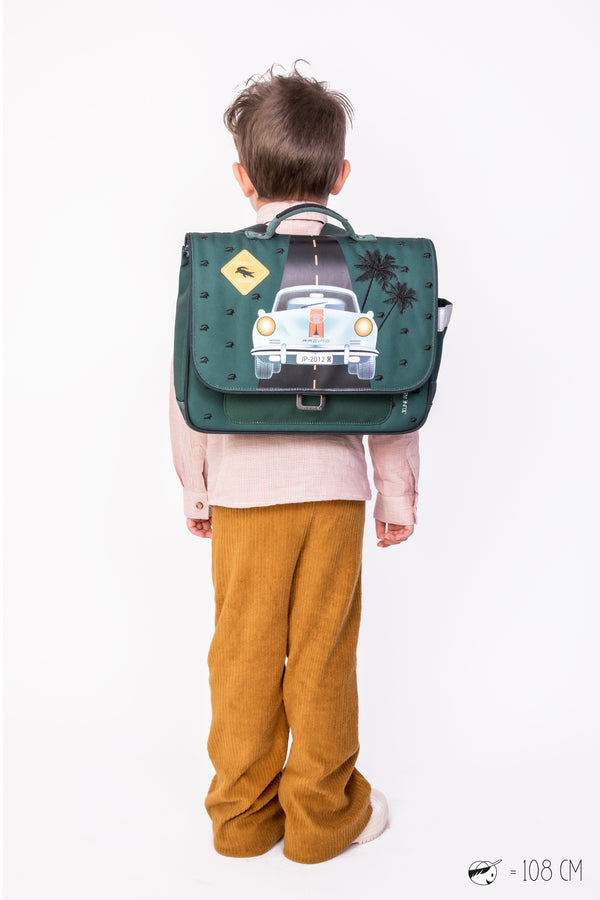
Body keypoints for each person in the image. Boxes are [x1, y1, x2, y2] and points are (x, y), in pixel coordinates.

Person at [169, 64, 420, 865]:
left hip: (243, 495)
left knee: (242, 651)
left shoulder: (218, 269)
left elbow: (184, 383)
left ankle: (242, 818)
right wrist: (396, 495)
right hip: (336, 496)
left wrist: (197, 486)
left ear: (242, 180)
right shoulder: (372, 272)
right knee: (323, 654)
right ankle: (321, 816)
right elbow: (396, 387)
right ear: (340, 176)